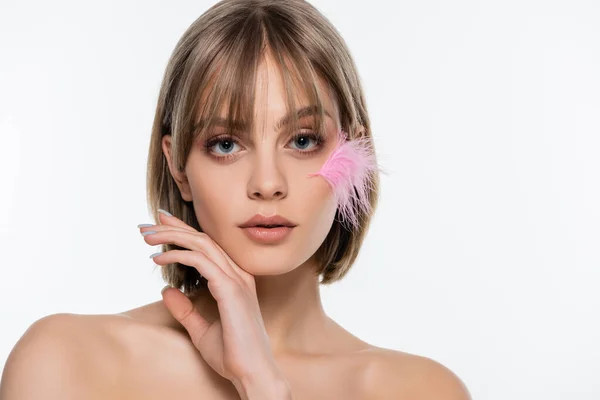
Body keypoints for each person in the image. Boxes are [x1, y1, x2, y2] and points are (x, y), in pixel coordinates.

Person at [0, 0, 471, 399]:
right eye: (226, 143)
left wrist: (262, 383)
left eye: (303, 140)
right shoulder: (67, 363)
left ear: (357, 157)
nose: (267, 183)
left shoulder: (420, 390)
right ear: (179, 167)